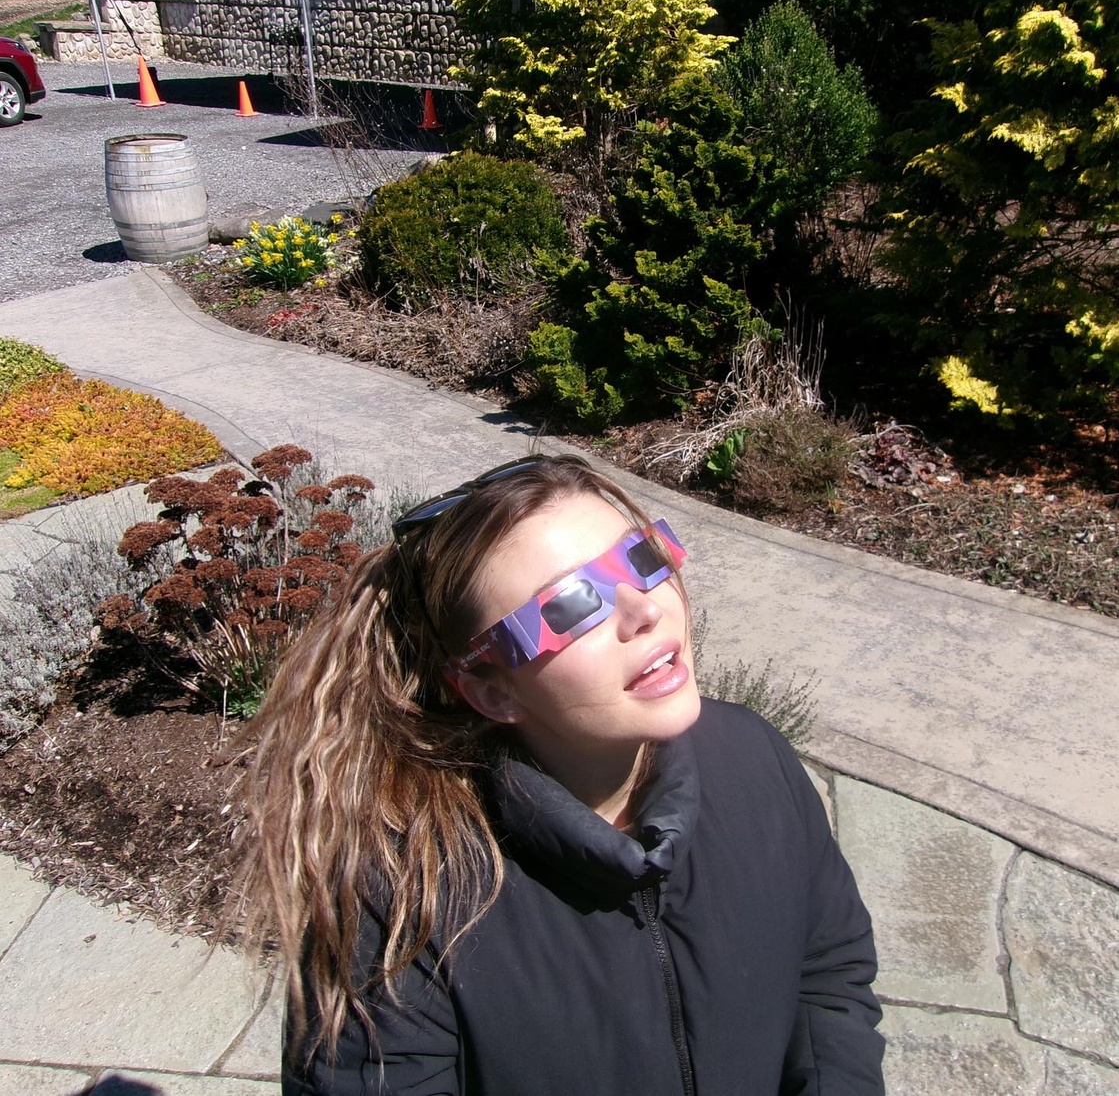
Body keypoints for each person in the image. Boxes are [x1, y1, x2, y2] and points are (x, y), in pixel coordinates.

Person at [235, 453, 886, 1095]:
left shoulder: (753, 756)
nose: (643, 611)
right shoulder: (402, 897)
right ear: (492, 692)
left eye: (641, 558)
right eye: (570, 606)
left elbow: (827, 977)